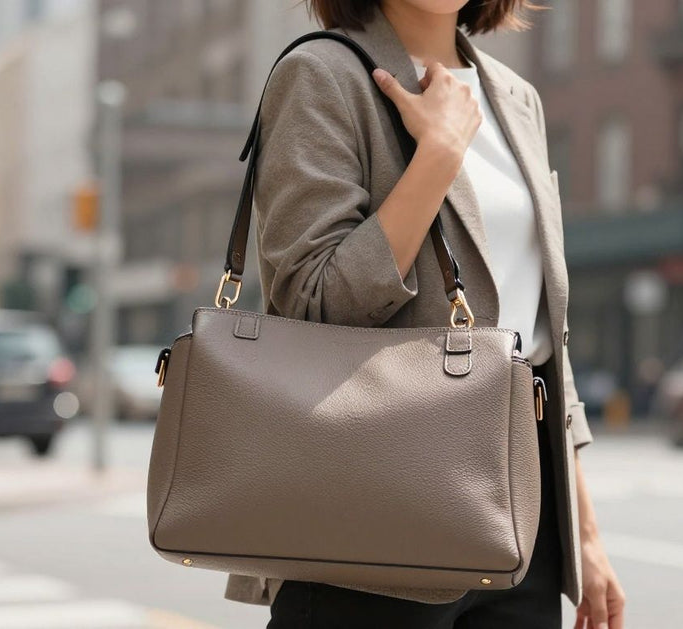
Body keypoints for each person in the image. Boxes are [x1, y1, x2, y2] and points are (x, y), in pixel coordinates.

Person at [224, 1, 626, 627]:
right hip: (370, 507)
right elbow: (311, 301)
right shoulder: (323, 74)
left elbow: (545, 340)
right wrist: (437, 155)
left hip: (522, 520)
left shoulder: (516, 98)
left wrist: (585, 535)